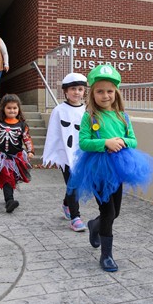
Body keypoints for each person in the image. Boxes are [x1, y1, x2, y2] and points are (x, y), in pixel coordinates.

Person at [67, 65, 153, 271]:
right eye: (100, 91)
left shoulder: (122, 116)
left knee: (115, 212)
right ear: (92, 93)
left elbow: (133, 140)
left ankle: (94, 225)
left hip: (118, 169)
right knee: (108, 212)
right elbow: (84, 143)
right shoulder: (90, 117)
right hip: (97, 170)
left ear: (115, 92)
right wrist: (105, 143)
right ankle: (106, 255)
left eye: (109, 91)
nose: (105, 95)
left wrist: (122, 141)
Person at [43, 73, 88, 232]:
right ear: (66, 91)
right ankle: (75, 217)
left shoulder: (87, 111)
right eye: (73, 89)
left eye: (80, 89)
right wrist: (53, 154)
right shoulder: (59, 111)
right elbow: (54, 134)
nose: (77, 92)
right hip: (65, 155)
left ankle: (66, 203)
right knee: (73, 184)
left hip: (82, 154)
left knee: (77, 183)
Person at [0, 94, 34, 213]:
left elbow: (27, 138)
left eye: (14, 108)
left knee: (12, 177)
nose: (12, 110)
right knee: (7, 177)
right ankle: (9, 201)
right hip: (1, 157)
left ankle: (8, 198)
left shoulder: (22, 125)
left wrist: (30, 150)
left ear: (18, 109)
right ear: (3, 109)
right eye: (9, 108)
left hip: (16, 157)